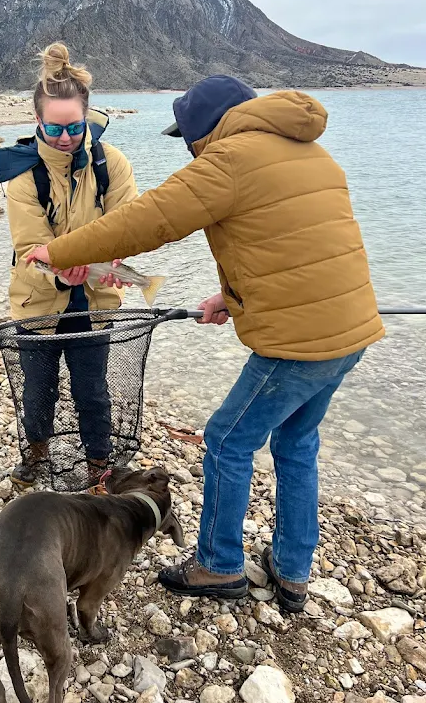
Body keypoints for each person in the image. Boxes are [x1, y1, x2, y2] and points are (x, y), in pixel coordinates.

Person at [26, 75, 385, 610]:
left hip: (299, 343)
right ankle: (291, 572)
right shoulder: (311, 153)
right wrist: (233, 296)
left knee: (226, 440)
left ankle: (218, 566)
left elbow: (148, 221)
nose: (189, 148)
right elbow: (296, 249)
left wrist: (58, 252)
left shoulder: (230, 159)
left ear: (204, 129)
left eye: (188, 138)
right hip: (350, 329)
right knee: (296, 445)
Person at [0, 43, 137, 488]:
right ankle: (37, 455)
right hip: (38, 298)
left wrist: (115, 258)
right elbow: (31, 244)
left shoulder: (111, 164)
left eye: (74, 126)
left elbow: (127, 226)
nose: (64, 137)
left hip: (94, 299)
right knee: (38, 389)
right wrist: (62, 264)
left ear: (87, 118)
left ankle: (98, 466)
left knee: (92, 390)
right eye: (54, 128)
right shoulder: (23, 173)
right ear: (37, 120)